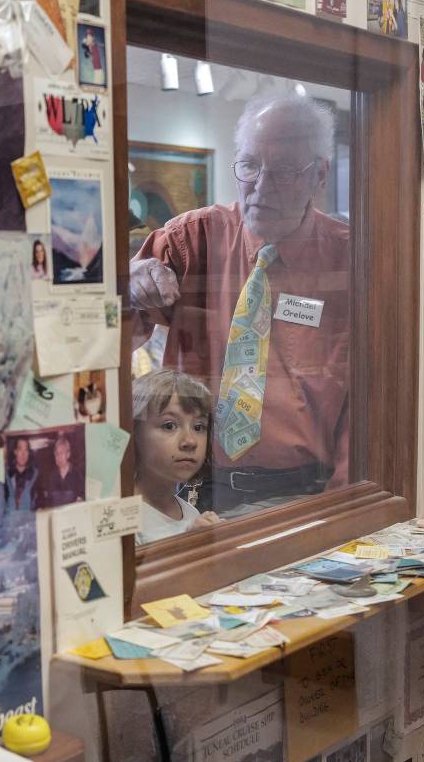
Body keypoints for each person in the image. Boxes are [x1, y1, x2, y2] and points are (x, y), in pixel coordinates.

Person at [130, 94, 349, 515]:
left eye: (284, 171)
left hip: (302, 497)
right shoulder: (193, 239)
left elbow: (368, 400)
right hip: (189, 497)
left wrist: (342, 507)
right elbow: (107, 336)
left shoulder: (348, 260)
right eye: (249, 166)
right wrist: (126, 286)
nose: (261, 187)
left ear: (319, 175)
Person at [133, 370, 222, 544]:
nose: (190, 441)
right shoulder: (123, 517)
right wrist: (188, 544)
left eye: (199, 427)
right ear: (135, 434)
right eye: (169, 425)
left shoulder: (190, 513)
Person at [35, 432, 83, 508]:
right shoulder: (50, 477)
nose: (58, 457)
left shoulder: (77, 476)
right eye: (56, 454)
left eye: (61, 453)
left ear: (68, 454)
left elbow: (80, 502)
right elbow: (47, 502)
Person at [5, 436, 37, 512]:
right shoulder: (6, 474)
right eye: (20, 450)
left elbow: (39, 503)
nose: (23, 454)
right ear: (15, 451)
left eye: (26, 450)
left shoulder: (35, 475)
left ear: (29, 453)